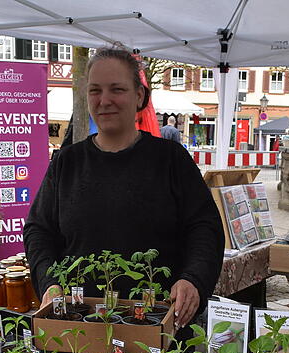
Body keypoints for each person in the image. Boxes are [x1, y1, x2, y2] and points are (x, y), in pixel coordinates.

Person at [23, 47, 224, 329]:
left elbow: (205, 228)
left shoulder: (171, 159)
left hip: (159, 321)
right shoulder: (67, 162)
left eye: (116, 89)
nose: (104, 100)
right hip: (79, 323)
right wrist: (49, 282)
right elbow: (38, 230)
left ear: (139, 96)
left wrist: (193, 279)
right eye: (95, 90)